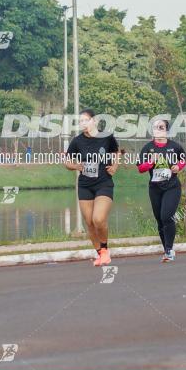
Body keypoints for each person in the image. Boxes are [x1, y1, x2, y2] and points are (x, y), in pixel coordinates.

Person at [64, 109, 120, 266]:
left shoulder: (106, 137)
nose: (82, 123)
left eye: (85, 120)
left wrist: (115, 166)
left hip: (103, 183)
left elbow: (117, 152)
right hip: (85, 185)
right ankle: (101, 254)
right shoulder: (77, 141)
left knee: (98, 219)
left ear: (94, 121)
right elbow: (67, 162)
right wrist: (76, 166)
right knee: (89, 222)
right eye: (80, 121)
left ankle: (105, 249)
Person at [137, 119, 186, 262]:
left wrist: (178, 167)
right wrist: (151, 162)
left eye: (161, 127)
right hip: (155, 188)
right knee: (160, 220)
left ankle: (170, 249)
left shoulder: (174, 147)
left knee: (167, 216)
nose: (158, 129)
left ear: (167, 130)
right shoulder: (147, 148)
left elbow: (184, 159)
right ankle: (166, 250)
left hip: (172, 187)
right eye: (155, 127)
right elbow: (140, 168)